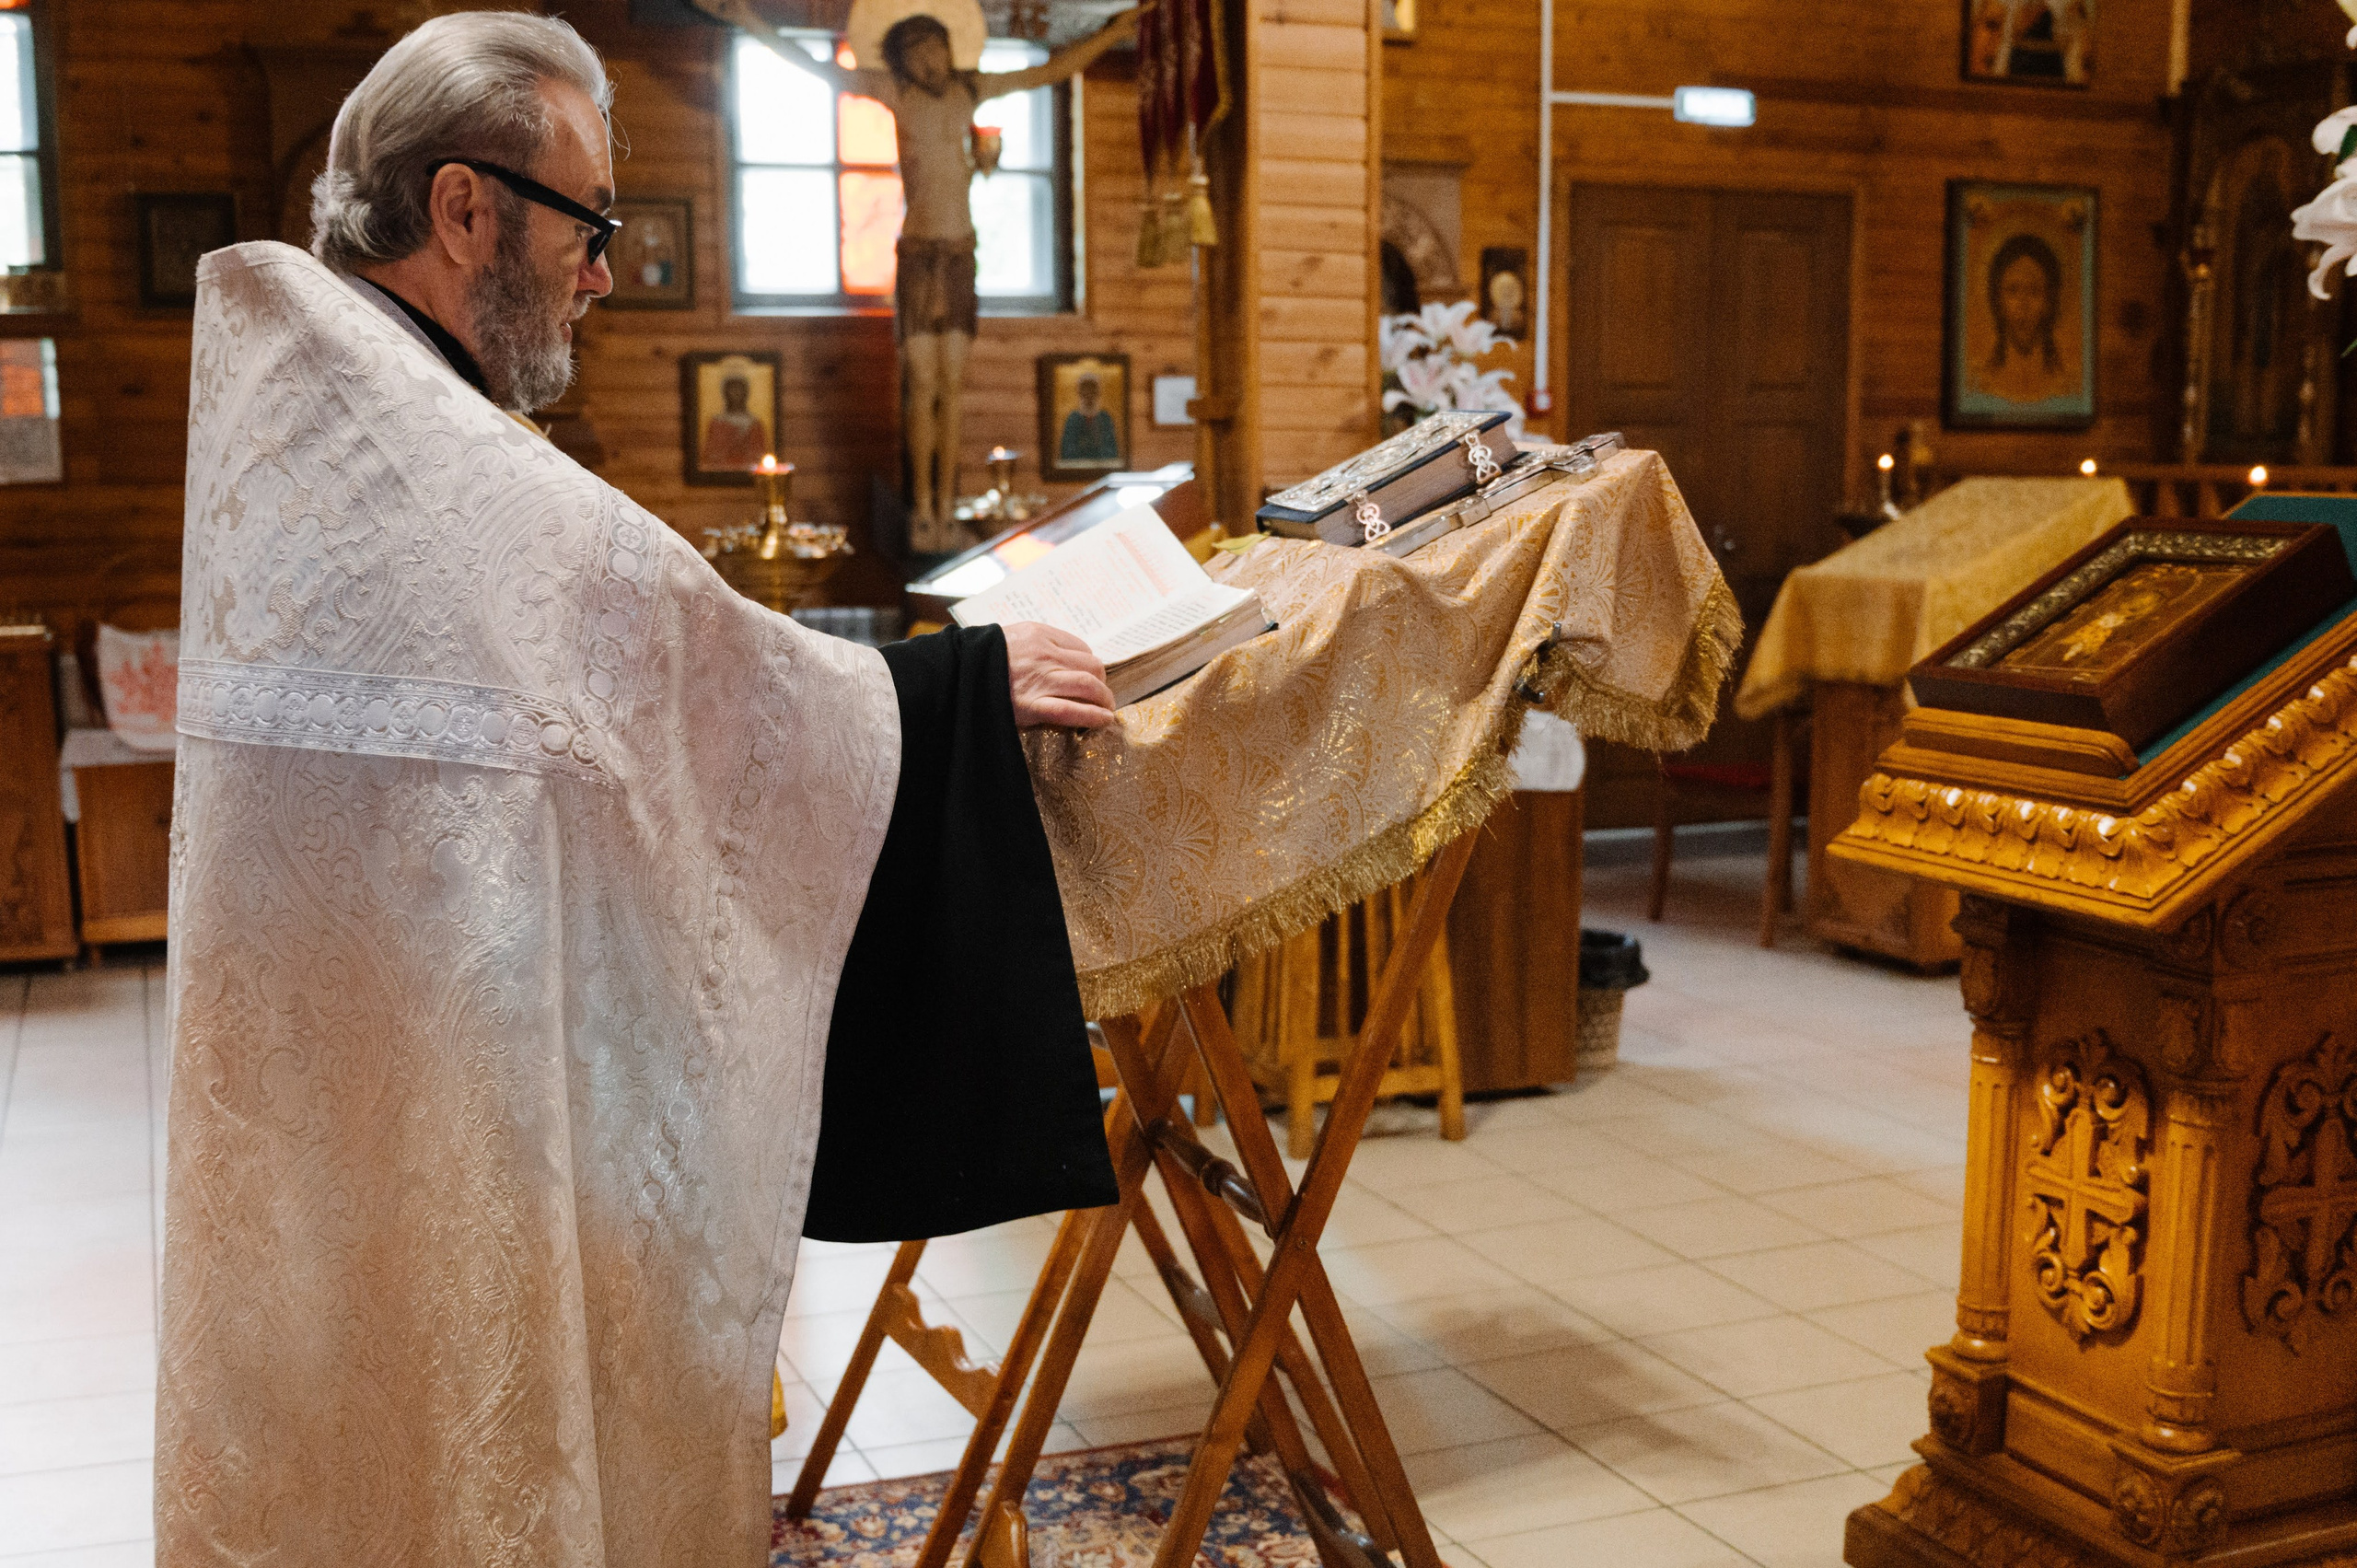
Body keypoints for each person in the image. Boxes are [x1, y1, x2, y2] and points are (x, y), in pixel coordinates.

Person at [156, 15, 1120, 1567]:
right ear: (465, 209)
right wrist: (950, 694)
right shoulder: (419, 440)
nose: (603, 272)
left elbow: (623, 693)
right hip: (429, 1072)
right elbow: (685, 671)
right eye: (588, 224)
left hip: (350, 1095)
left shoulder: (319, 399)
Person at [714, 0, 1138, 549]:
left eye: (934, 49)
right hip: (917, 256)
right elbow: (821, 71)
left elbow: (1050, 71)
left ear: (948, 48)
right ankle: (922, 512)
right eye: (915, 55)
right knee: (922, 386)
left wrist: (1114, 31)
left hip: (959, 255)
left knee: (951, 388)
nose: (928, 62)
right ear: (901, 63)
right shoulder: (895, 93)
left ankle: (943, 507)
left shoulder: (970, 89)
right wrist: (750, 22)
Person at [1980, 231, 2073, 406]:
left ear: (2049, 302)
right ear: (1997, 301)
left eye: (2034, 291)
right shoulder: (1983, 378)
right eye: (2013, 290)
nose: (2023, 304)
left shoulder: (2065, 379)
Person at [701, 370, 772, 470]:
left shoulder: (755, 423)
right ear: (725, 392)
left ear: (746, 392)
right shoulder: (717, 422)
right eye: (732, 389)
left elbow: (761, 456)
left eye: (740, 389)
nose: (736, 393)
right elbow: (710, 456)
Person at [1058, 370, 1120, 464]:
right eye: (1085, 392)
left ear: (1098, 393)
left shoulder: (1105, 419)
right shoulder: (1072, 419)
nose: (1089, 396)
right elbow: (1067, 452)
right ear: (1080, 393)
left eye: (1092, 391)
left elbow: (1112, 452)